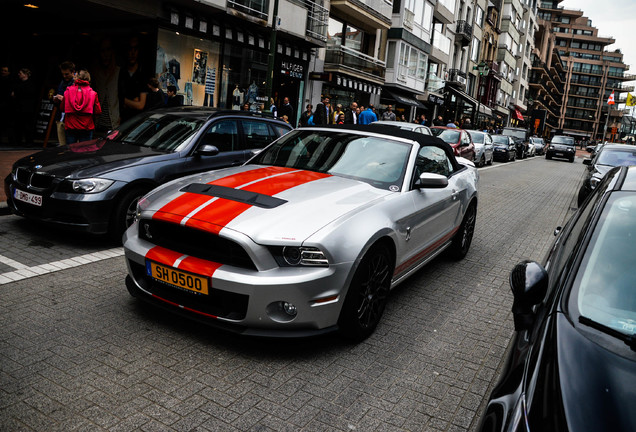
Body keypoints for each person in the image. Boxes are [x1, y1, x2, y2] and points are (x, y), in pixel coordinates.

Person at [63, 69, 102, 144]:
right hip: (86, 126)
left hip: (71, 125)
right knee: (84, 151)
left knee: (70, 151)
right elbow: (98, 111)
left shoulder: (68, 91)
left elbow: (62, 108)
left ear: (77, 78)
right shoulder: (93, 94)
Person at [93, 37, 120, 134]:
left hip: (114, 125)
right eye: (102, 51)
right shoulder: (96, 73)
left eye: (108, 50)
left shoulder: (119, 72)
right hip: (98, 124)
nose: (105, 54)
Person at [119, 35, 147, 122]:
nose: (132, 53)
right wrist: (133, 101)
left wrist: (123, 100)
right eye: (130, 49)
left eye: (135, 49)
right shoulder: (120, 73)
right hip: (121, 121)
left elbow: (140, 105)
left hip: (136, 122)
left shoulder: (142, 75)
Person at [12, 68, 37, 146]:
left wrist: (16, 93)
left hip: (27, 108)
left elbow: (26, 94)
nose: (19, 74)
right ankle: (18, 141)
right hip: (19, 108)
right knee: (18, 125)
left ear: (25, 74)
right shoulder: (19, 83)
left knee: (27, 126)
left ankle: (29, 141)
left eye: (21, 73)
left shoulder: (30, 84)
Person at [0, 65, 13, 144]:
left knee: (6, 122)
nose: (3, 72)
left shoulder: (10, 81)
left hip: (6, 104)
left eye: (5, 71)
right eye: (2, 70)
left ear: (8, 72)